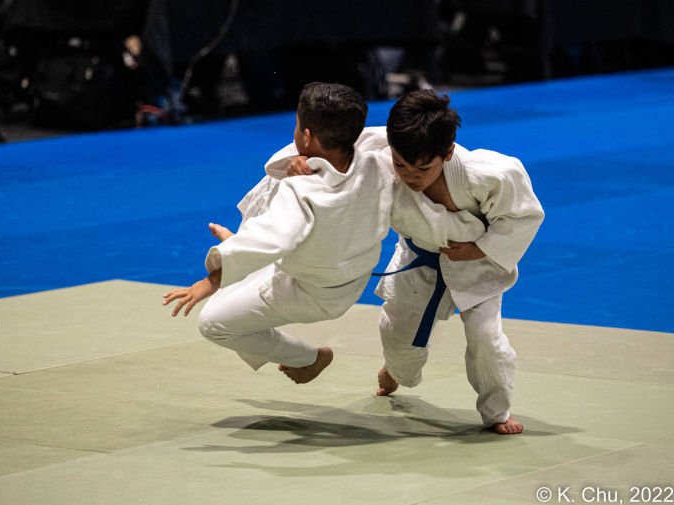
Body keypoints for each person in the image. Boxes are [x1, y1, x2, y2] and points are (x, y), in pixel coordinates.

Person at [163, 82, 485, 385]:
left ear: (306, 135)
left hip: (304, 290)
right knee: (272, 222)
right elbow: (426, 206)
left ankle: (308, 358)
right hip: (346, 281)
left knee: (213, 323)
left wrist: (212, 279)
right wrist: (482, 237)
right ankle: (241, 251)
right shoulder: (380, 165)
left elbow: (275, 238)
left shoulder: (302, 189)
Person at [290, 90, 543, 434]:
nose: (410, 176)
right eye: (401, 165)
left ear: (447, 152)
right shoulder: (380, 147)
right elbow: (330, 147)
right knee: (399, 339)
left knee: (486, 337)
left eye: (423, 168)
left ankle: (497, 411)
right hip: (418, 256)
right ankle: (396, 370)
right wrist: (302, 161)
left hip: (477, 263)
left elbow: (523, 216)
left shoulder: (491, 173)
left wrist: (480, 249)